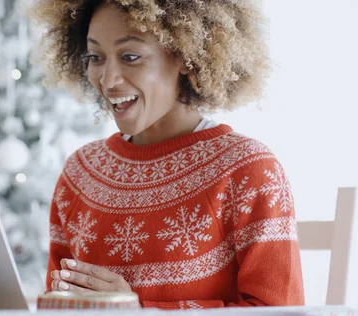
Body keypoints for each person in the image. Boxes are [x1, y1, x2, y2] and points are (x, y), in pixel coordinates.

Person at [29, 0, 304, 309]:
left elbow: (280, 311)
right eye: (96, 57)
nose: (107, 79)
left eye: (130, 57)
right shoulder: (80, 174)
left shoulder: (248, 169)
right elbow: (58, 306)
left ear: (185, 56)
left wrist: (140, 312)